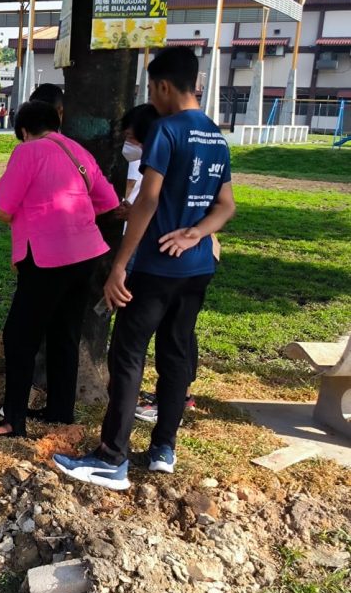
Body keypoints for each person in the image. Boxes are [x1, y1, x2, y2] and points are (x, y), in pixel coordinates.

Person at [54, 47, 236, 490]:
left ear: (164, 86)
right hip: (196, 270)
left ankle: (111, 458)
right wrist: (197, 233)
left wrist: (119, 264)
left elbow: (148, 201)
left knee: (128, 355)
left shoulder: (167, 131)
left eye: (152, 89)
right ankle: (163, 449)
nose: (151, 98)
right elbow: (225, 206)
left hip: (156, 269)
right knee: (175, 354)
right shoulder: (216, 134)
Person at [0, 101, 118, 438]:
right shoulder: (77, 150)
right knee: (64, 333)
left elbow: (1, 208)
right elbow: (108, 202)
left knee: (19, 336)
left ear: (23, 130)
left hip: (46, 258)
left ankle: (13, 421)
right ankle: (59, 412)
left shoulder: (28, 152)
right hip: (86, 256)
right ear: (56, 122)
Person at [120, 103, 200, 424]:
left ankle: (173, 403)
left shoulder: (161, 164)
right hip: (186, 261)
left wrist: (121, 263)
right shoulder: (182, 155)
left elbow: (151, 206)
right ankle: (173, 407)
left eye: (130, 137)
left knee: (160, 338)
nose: (128, 144)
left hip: (166, 262)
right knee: (176, 335)